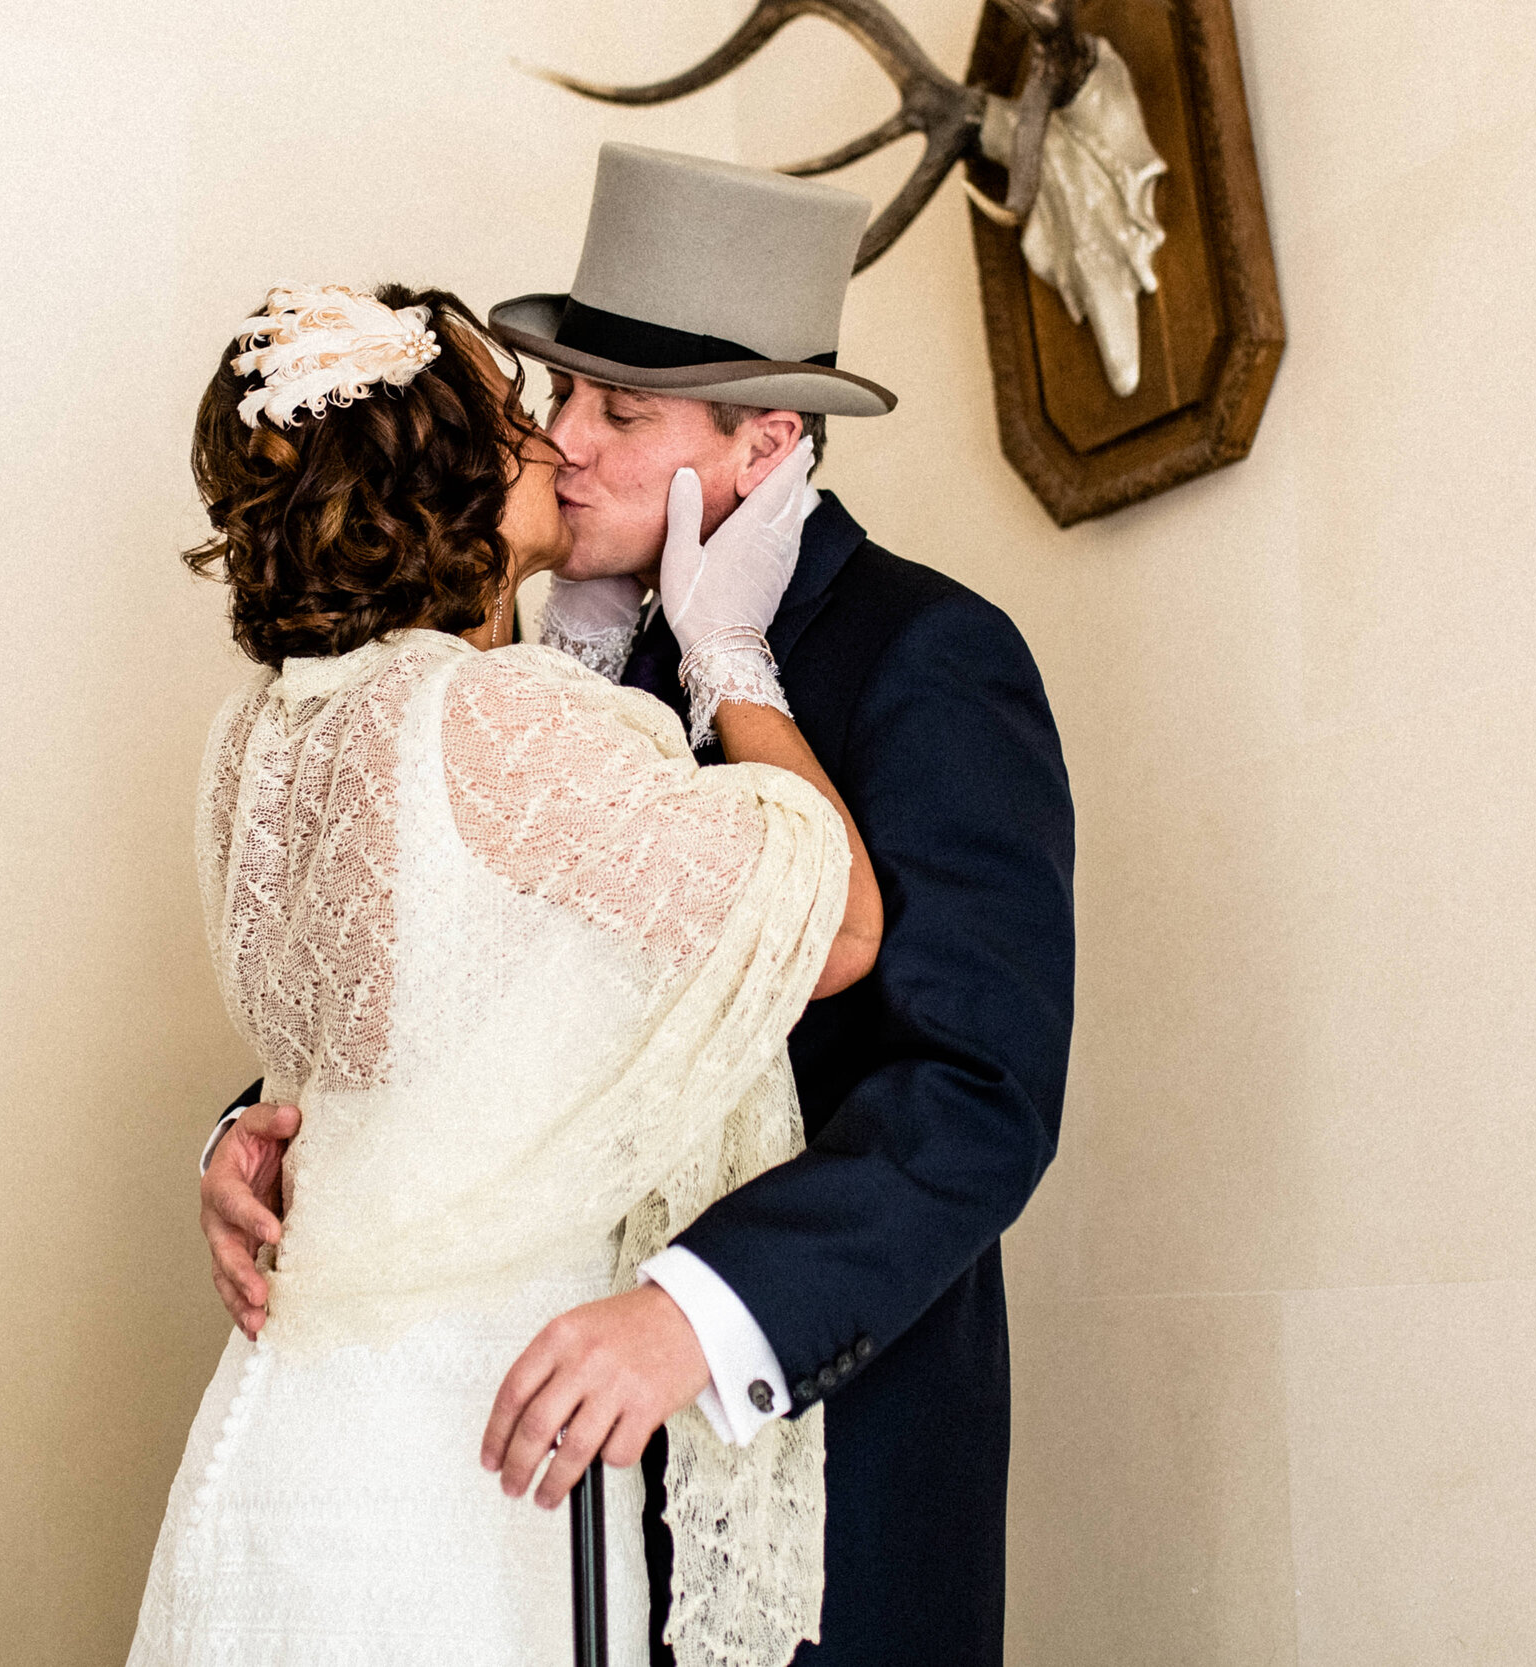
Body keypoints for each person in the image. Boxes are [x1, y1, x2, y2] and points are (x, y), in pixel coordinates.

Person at [204, 147, 1077, 1666]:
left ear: (768, 444)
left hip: (808, 1459)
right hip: (512, 1490)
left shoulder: (926, 651)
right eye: (558, 399)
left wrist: (696, 1313)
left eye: (623, 410)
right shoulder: (507, 676)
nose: (565, 445)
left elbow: (978, 1089)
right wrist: (262, 1132)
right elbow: (475, 987)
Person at [129, 276, 885, 1667]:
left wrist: (238, 1139)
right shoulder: (496, 719)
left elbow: (403, 1021)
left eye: (597, 408)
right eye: (515, 416)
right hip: (467, 1442)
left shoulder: (254, 740)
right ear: (452, 486)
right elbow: (833, 925)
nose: (555, 442)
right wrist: (728, 654)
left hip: (286, 1413)